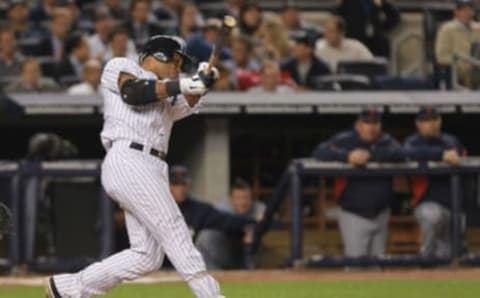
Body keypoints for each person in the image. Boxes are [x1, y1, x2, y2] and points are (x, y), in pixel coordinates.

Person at [45, 34, 224, 298]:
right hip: (129, 158)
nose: (178, 68)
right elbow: (134, 93)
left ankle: (69, 288)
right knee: (173, 227)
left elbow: (188, 100)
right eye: (175, 62)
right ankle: (209, 294)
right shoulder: (121, 66)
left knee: (147, 256)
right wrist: (187, 82)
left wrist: (204, 82)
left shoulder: (168, 93)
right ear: (156, 56)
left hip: (152, 166)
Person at [311, 107, 404, 257]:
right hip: (353, 214)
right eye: (367, 123)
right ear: (358, 125)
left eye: (375, 123)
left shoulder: (386, 141)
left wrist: (370, 155)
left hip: (381, 214)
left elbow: (401, 153)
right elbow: (319, 152)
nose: (371, 127)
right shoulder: (346, 140)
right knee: (355, 265)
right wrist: (347, 156)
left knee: (378, 265)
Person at [403, 106, 466, 258]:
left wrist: (452, 155)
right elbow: (406, 153)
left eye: (434, 119)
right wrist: (441, 155)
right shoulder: (413, 142)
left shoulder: (451, 140)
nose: (430, 124)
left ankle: (445, 274)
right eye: (425, 121)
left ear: (440, 121)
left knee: (451, 253)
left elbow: (462, 155)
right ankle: (426, 260)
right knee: (433, 216)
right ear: (418, 124)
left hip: (454, 205)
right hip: (427, 203)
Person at [169, 166, 255, 270]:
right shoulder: (156, 210)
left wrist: (254, 221)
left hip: (194, 267)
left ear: (189, 186)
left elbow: (226, 220)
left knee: (207, 236)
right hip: (163, 267)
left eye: (183, 184)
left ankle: (212, 282)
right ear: (168, 186)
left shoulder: (199, 210)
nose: (180, 189)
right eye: (176, 184)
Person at [435, 0, 480, 89]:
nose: (468, 13)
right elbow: (442, 56)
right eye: (464, 10)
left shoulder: (478, 28)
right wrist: (460, 64)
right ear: (456, 12)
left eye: (470, 10)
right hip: (458, 71)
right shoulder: (447, 29)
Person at [336, 0, 400, 57]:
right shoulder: (348, 2)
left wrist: (382, 27)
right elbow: (337, 19)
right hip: (354, 40)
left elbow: (394, 17)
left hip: (375, 42)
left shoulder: (378, 1)